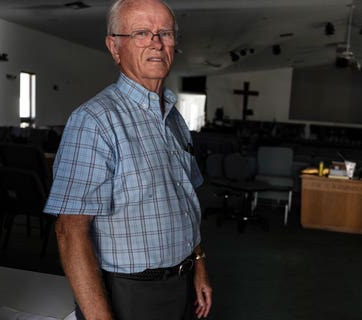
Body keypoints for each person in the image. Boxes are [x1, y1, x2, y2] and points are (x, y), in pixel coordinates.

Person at [44, 0, 212, 319]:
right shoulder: (94, 121)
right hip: (131, 294)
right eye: (141, 32)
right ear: (114, 46)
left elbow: (184, 204)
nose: (156, 41)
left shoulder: (175, 119)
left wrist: (199, 263)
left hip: (183, 281)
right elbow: (70, 232)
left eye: (165, 32)